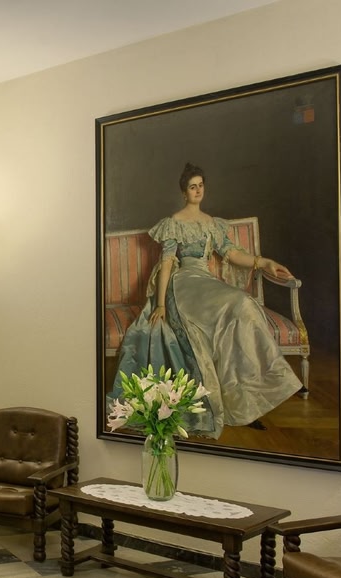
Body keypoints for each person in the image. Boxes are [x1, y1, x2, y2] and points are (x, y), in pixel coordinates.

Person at [108, 163, 302, 438]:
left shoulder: (212, 223)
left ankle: (245, 399)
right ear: (184, 192)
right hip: (182, 283)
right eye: (192, 187)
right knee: (229, 309)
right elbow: (167, 263)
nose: (198, 190)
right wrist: (161, 304)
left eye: (200, 185)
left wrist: (264, 262)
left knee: (243, 303)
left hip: (205, 281)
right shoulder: (174, 222)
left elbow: (231, 254)